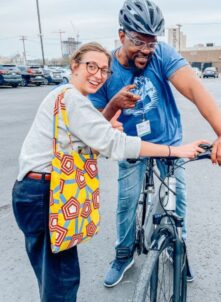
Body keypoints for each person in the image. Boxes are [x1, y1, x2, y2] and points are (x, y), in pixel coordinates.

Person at [12, 42, 208, 302]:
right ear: (74, 66)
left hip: (36, 193)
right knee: (62, 281)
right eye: (91, 66)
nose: (98, 75)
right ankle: (123, 254)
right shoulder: (71, 98)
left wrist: (106, 123)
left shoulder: (65, 98)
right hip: (44, 196)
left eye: (104, 70)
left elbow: (87, 139)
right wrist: (176, 151)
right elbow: (116, 145)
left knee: (53, 276)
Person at [88, 0, 221, 288]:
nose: (145, 51)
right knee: (127, 200)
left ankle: (177, 247)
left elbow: (194, 88)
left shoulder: (162, 55)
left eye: (151, 43)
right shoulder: (106, 69)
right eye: (138, 42)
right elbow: (92, 115)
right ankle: (123, 253)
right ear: (121, 36)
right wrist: (107, 118)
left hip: (169, 142)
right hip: (131, 145)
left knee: (177, 199)